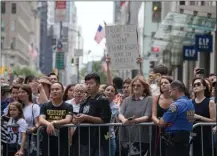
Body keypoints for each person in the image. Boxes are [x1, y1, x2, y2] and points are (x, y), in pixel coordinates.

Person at [71, 73, 111, 156]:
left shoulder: (103, 100)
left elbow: (104, 120)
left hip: (98, 140)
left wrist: (86, 117)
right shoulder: (85, 100)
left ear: (98, 85)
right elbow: (80, 116)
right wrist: (76, 119)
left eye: (91, 83)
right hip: (84, 140)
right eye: (86, 84)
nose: (88, 86)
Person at [157, 80, 195, 156]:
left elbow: (161, 123)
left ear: (175, 90)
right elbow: (190, 120)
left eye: (170, 91)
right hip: (185, 139)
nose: (169, 93)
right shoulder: (190, 104)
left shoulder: (174, 106)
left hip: (174, 141)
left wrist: (166, 122)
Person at [39, 82, 73, 156]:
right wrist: (49, 124)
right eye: (52, 89)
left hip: (63, 140)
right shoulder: (45, 106)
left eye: (57, 89)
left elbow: (68, 119)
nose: (54, 91)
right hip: (47, 140)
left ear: (63, 91)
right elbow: (41, 120)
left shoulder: (68, 106)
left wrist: (53, 123)